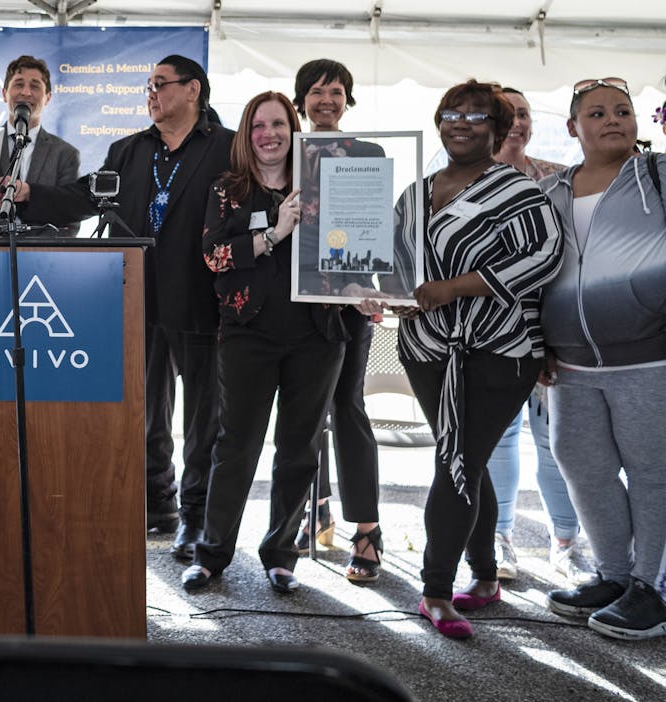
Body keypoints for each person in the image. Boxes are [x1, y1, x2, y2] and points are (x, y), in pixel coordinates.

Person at [360, 80, 563, 639]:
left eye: (475, 116)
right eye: (451, 113)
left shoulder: (520, 192)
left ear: (495, 130)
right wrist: (371, 289)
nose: (460, 122)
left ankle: (434, 591)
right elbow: (394, 269)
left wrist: (458, 287)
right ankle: (486, 576)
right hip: (426, 350)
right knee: (465, 459)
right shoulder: (413, 194)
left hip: (498, 351)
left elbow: (545, 258)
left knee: (457, 458)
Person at [19, 55, 233, 559]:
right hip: (137, 297)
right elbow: (83, 196)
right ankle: (158, 503)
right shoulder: (130, 150)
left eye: (160, 84)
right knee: (145, 410)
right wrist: (30, 196)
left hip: (203, 300)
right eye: (148, 86)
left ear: (193, 90)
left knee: (204, 419)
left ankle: (197, 517)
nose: (151, 93)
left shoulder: (226, 149)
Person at [180, 91, 345, 595]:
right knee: (235, 448)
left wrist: (363, 285)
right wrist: (274, 233)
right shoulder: (228, 191)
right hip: (247, 334)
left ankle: (281, 554)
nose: (268, 133)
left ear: (293, 130)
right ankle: (211, 555)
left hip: (316, 337)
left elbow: (351, 246)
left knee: (299, 450)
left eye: (277, 123)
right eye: (257, 125)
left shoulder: (323, 188)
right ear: (245, 135)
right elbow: (213, 257)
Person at [538, 77, 666, 640]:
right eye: (596, 113)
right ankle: (614, 576)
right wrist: (539, 344)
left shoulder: (658, 175)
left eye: (622, 111)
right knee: (582, 466)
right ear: (574, 127)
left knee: (651, 472)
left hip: (649, 358)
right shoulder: (552, 192)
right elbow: (535, 275)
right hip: (570, 364)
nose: (612, 119)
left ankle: (651, 587)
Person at [482, 87, 587, 585]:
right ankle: (500, 538)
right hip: (491, 336)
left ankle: (565, 543)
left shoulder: (560, 180)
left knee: (555, 443)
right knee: (499, 438)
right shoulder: (467, 182)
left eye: (523, 113)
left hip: (555, 334)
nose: (517, 122)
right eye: (506, 114)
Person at [289, 58, 385, 583]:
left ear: (348, 99)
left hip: (349, 300)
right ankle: (315, 509)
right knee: (304, 414)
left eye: (336, 90)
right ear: (300, 98)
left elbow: (369, 230)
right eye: (316, 91)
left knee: (347, 407)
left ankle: (366, 528)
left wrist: (359, 284)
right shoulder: (281, 150)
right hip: (291, 302)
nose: (326, 99)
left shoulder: (366, 154)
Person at [0, 55, 81, 235]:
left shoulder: (65, 154)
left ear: (47, 98)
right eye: (18, 84)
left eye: (34, 86)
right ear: (4, 94)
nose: (26, 92)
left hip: (41, 258)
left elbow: (70, 221)